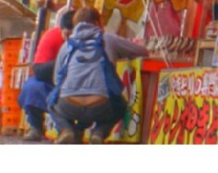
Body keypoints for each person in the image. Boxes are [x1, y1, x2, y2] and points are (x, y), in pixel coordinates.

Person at [50, 9, 147, 144]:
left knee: (51, 102)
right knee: (121, 105)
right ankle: (99, 133)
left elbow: (56, 80)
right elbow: (142, 51)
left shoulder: (66, 45)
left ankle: (66, 130)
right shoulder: (108, 38)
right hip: (101, 105)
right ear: (97, 22)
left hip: (69, 105)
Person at [18, 12, 71, 141]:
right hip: (51, 82)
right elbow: (39, 70)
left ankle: (71, 130)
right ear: (61, 30)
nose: (69, 39)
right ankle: (36, 127)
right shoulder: (51, 36)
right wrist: (62, 61)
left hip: (77, 85)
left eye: (73, 35)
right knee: (32, 87)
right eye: (67, 35)